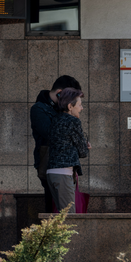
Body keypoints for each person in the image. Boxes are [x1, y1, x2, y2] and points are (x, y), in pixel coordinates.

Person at [30, 75, 81, 212]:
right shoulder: (39, 109)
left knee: (63, 206)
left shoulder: (60, 110)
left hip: (67, 165)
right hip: (49, 162)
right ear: (59, 93)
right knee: (55, 207)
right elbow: (51, 135)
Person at [46, 88, 90, 213]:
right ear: (70, 106)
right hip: (63, 174)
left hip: (52, 172)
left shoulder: (55, 119)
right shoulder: (73, 121)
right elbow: (83, 152)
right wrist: (86, 146)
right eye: (80, 105)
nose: (81, 108)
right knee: (69, 217)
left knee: (61, 216)